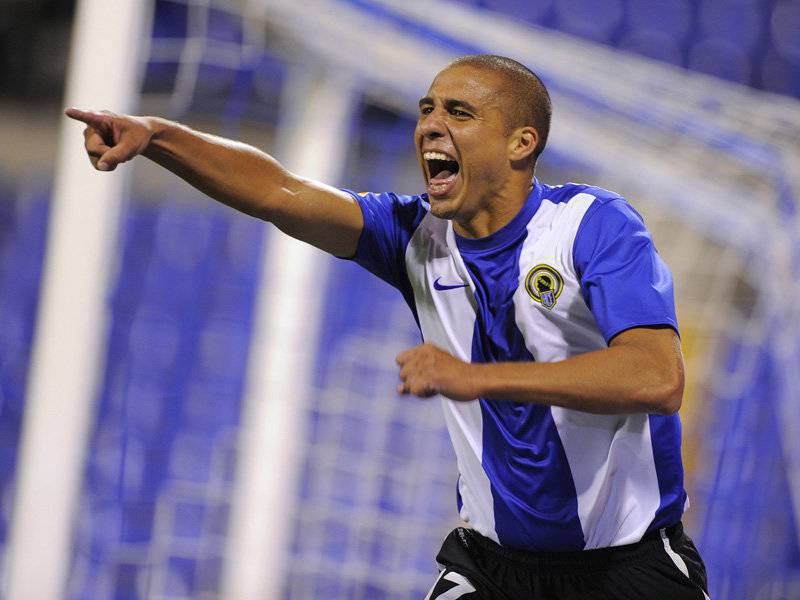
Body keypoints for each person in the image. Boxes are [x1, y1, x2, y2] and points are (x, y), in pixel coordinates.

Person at [67, 54, 709, 599]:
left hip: (629, 569)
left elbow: (656, 377)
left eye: (459, 112)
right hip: (492, 569)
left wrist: (477, 378)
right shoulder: (411, 236)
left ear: (522, 143)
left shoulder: (591, 225)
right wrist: (157, 137)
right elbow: (277, 192)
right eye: (427, 109)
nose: (431, 124)